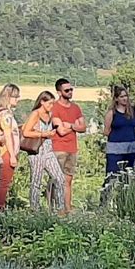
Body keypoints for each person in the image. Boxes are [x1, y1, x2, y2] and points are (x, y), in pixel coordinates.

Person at [22, 91, 65, 213]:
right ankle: (34, 209)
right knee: (36, 181)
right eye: (49, 103)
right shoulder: (35, 114)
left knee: (60, 178)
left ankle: (59, 208)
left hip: (48, 150)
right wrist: (43, 134)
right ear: (42, 102)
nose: (51, 106)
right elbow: (26, 132)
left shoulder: (50, 114)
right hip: (37, 152)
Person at [49, 78, 86, 213]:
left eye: (71, 89)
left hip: (72, 148)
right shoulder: (54, 107)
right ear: (59, 92)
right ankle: (53, 207)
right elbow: (61, 131)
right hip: (58, 148)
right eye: (67, 90)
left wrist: (70, 125)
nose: (70, 92)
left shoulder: (75, 108)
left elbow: (83, 127)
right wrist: (75, 126)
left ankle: (67, 208)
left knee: (68, 180)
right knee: (56, 180)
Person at [0, 83, 21, 210]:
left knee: (5, 181)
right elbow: (8, 135)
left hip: (8, 151)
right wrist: (12, 155)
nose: (18, 99)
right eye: (15, 97)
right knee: (4, 182)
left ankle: (1, 206)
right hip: (6, 151)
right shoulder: (5, 115)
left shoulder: (5, 113)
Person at [103, 86, 135, 177]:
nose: (124, 98)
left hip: (131, 148)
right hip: (115, 150)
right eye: (121, 97)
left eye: (125, 96)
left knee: (129, 176)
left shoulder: (133, 111)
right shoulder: (111, 113)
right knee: (113, 176)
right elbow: (106, 131)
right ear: (116, 99)